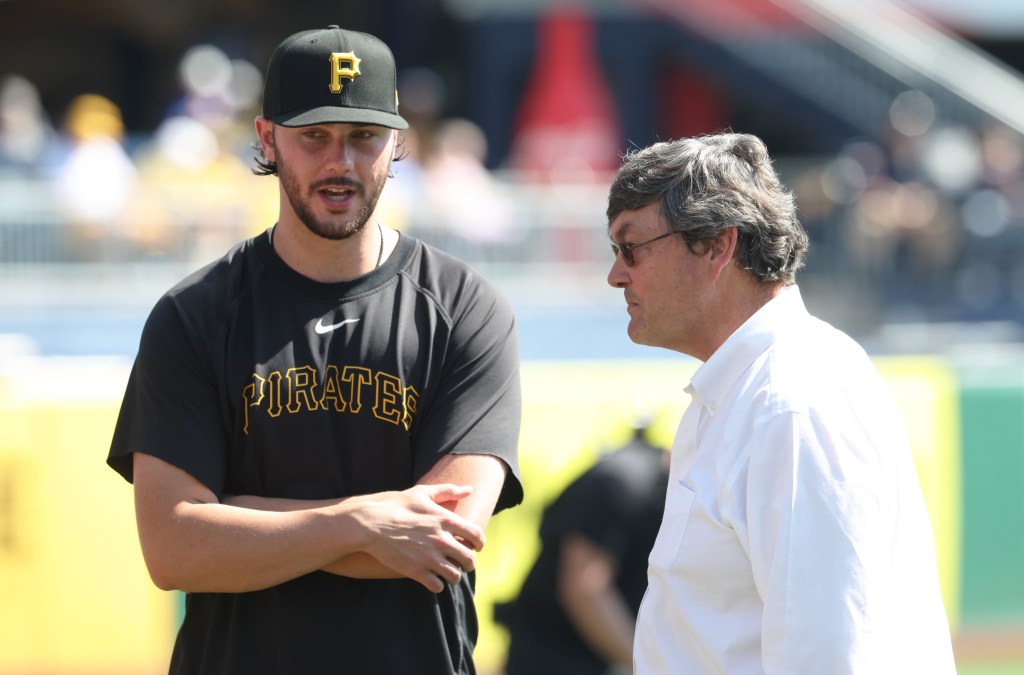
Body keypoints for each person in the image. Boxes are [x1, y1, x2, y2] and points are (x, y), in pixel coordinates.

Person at [107, 25, 523, 675]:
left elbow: (445, 540)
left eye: (364, 136)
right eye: (314, 137)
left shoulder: (466, 309)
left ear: (398, 143)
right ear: (268, 139)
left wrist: (238, 521)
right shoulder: (193, 315)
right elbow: (173, 548)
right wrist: (363, 521)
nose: (341, 162)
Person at [605, 132, 956, 674]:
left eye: (630, 248)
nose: (616, 274)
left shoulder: (790, 400)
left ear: (718, 246)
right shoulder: (753, 389)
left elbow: (826, 655)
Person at [498, 416, 669, 675]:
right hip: (558, 658)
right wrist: (647, 666)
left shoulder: (658, 485)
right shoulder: (619, 482)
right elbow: (586, 588)